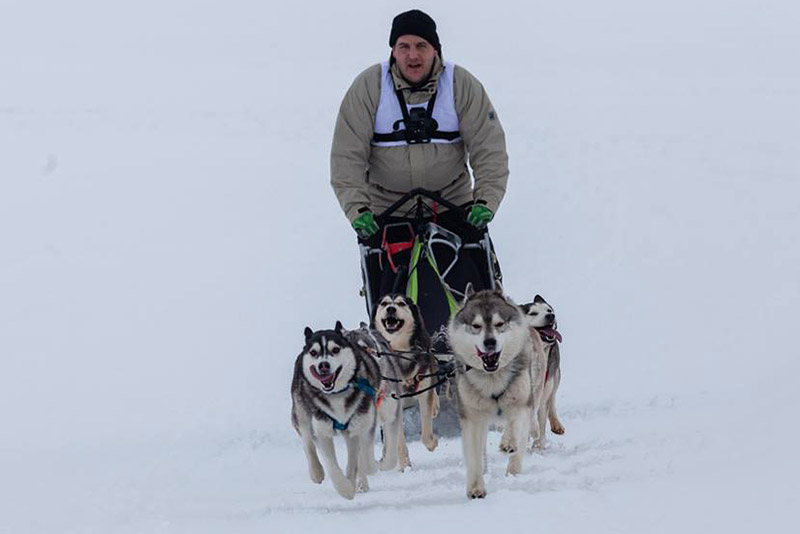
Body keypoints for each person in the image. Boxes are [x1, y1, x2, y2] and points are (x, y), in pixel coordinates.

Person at [330, 9, 509, 335]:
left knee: (474, 287)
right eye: (404, 46)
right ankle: (397, 352)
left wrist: (486, 201)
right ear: (393, 50)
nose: (413, 55)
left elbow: (489, 150)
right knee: (390, 296)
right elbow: (346, 157)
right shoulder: (369, 88)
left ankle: (479, 346)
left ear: (435, 49)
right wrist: (358, 210)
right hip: (389, 211)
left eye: (421, 46)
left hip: (452, 206)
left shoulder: (461, 85)